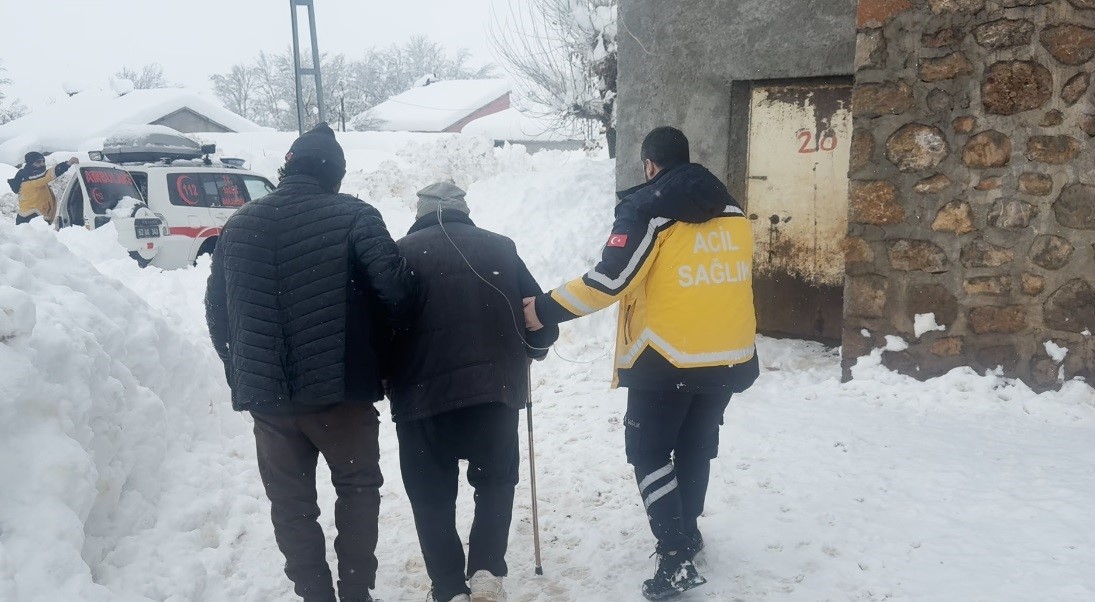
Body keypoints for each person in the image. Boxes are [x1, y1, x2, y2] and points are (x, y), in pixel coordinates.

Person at [523, 126, 759, 600]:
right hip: (728, 356)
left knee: (649, 452)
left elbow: (610, 282)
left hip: (665, 357)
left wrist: (544, 309)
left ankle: (674, 559)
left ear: (650, 165)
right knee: (695, 446)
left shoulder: (647, 209)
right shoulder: (733, 210)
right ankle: (687, 535)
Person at [205, 122, 416, 602]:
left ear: (287, 169)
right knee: (357, 489)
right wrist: (383, 356)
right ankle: (356, 592)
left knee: (291, 504)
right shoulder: (356, 216)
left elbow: (218, 312)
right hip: (342, 392)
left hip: (270, 402)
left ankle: (314, 594)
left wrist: (241, 369)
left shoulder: (239, 225)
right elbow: (397, 293)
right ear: (336, 174)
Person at [390, 182, 559, 602]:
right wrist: (533, 350)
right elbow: (540, 319)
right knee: (496, 481)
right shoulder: (501, 247)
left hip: (421, 399)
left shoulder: (398, 254)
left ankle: (448, 588)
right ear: (464, 209)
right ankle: (486, 571)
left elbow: (379, 326)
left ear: (421, 210)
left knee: (431, 495)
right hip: (494, 391)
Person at [8, 152, 78, 224]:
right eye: (38, 162)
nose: (42, 164)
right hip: (31, 217)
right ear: (30, 164)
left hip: (35, 216)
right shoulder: (30, 178)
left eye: (43, 161)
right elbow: (47, 175)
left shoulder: (32, 177)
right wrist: (67, 164)